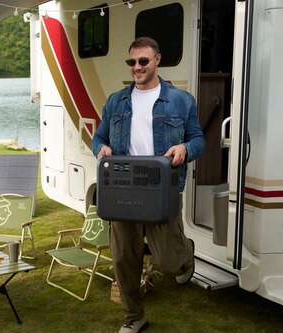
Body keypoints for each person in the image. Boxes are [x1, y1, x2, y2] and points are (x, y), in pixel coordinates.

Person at [92, 37, 205, 333]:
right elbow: (99, 136)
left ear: (157, 60)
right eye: (132, 62)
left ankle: (185, 256)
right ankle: (134, 317)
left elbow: (198, 140)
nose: (137, 67)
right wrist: (100, 149)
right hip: (123, 187)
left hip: (161, 189)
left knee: (168, 261)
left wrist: (185, 149)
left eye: (143, 61)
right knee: (123, 259)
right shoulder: (116, 100)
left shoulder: (181, 100)